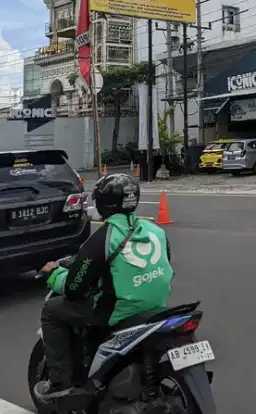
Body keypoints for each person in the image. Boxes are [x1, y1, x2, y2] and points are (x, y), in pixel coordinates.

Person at [33, 173, 174, 404]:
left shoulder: (102, 237)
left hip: (118, 312)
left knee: (51, 310)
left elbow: (74, 288)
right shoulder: (154, 229)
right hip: (157, 306)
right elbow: (166, 264)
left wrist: (53, 274)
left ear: (102, 203)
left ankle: (59, 382)